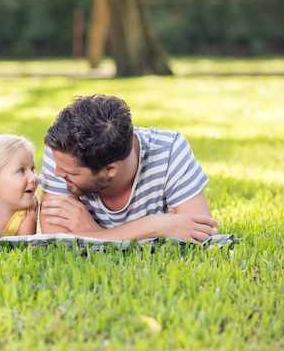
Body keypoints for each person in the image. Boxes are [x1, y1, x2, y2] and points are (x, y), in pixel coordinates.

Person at [39, 94, 220, 243]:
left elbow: (203, 238)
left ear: (110, 169)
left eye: (70, 173)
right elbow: (54, 241)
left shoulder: (170, 151)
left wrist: (91, 233)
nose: (56, 173)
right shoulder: (62, 154)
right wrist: (154, 226)